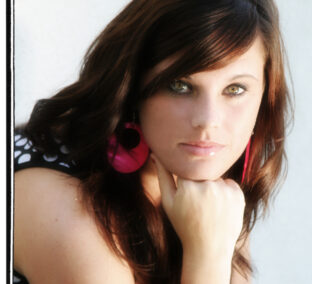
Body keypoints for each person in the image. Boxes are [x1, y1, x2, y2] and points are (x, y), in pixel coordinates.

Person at [14, 0, 291, 283]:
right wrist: (207, 254)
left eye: (235, 89)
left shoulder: (213, 200)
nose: (208, 120)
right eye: (180, 86)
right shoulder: (65, 209)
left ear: (265, 97)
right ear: (132, 87)